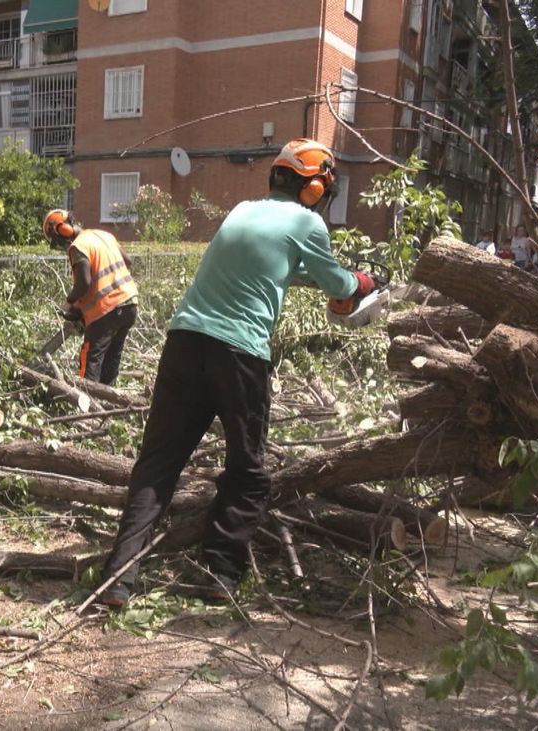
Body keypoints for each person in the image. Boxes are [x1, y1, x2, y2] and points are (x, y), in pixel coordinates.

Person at [95, 138, 377, 608]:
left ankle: (119, 577)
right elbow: (339, 286)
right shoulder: (307, 223)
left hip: (185, 342)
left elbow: (278, 268)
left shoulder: (243, 210)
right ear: (313, 189)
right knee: (246, 470)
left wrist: (321, 281)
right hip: (239, 354)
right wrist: (362, 283)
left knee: (159, 463)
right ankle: (221, 574)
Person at [43, 209, 139, 385]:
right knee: (111, 358)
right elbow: (128, 261)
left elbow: (83, 284)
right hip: (130, 303)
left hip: (107, 309)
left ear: (63, 230)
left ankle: (88, 405)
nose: (62, 246)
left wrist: (69, 303)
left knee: (90, 360)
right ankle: (107, 404)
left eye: (58, 241)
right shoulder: (103, 235)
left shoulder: (78, 247)